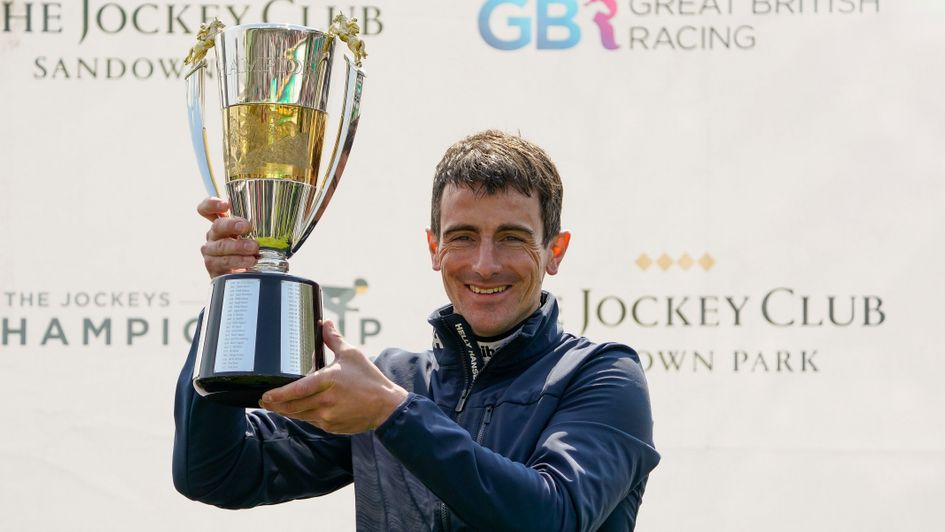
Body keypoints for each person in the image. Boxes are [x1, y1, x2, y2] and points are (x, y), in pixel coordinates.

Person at [173, 130, 660, 530]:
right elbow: (215, 473)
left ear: (555, 250)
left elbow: (553, 517)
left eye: (512, 238)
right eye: (462, 237)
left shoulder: (602, 375)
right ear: (434, 248)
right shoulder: (394, 381)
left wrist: (394, 415)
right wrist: (232, 295)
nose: (484, 264)